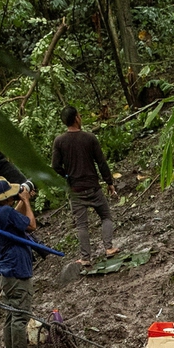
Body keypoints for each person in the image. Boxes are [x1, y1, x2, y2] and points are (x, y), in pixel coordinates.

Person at [51, 106, 116, 265]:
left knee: (82, 225)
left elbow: (55, 166)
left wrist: (67, 175)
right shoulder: (89, 138)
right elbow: (101, 162)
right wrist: (109, 182)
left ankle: (85, 258)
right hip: (93, 186)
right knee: (106, 216)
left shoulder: (59, 141)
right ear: (76, 118)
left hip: (75, 190)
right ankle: (108, 248)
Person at [0, 177, 39, 348]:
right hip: (17, 269)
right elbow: (31, 225)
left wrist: (21, 202)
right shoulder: (5, 211)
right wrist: (25, 201)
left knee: (11, 313)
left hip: (6, 270)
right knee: (21, 314)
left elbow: (13, 218)